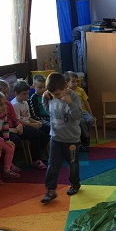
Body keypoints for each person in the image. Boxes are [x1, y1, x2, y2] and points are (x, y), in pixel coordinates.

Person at [40, 72, 83, 204]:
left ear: (65, 87)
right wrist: (45, 100)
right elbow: (50, 112)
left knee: (73, 164)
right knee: (53, 164)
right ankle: (50, 190)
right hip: (55, 138)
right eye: (52, 94)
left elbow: (78, 116)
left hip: (71, 139)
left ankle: (75, 184)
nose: (55, 96)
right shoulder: (52, 96)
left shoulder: (74, 97)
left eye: (58, 94)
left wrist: (70, 103)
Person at [11, 80, 49, 169]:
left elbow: (28, 117)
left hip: (28, 124)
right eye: (24, 94)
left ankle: (39, 151)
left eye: (28, 93)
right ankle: (36, 159)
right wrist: (32, 125)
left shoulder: (25, 102)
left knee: (47, 129)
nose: (27, 96)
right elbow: (18, 120)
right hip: (20, 127)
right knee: (37, 133)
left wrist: (36, 122)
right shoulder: (15, 104)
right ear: (16, 93)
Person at [65, 71, 95, 149]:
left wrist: (91, 114)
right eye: (73, 82)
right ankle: (85, 138)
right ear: (67, 83)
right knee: (81, 121)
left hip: (83, 111)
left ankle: (83, 136)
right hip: (74, 113)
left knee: (90, 120)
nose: (76, 83)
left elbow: (86, 102)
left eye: (77, 81)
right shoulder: (66, 92)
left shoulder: (80, 90)